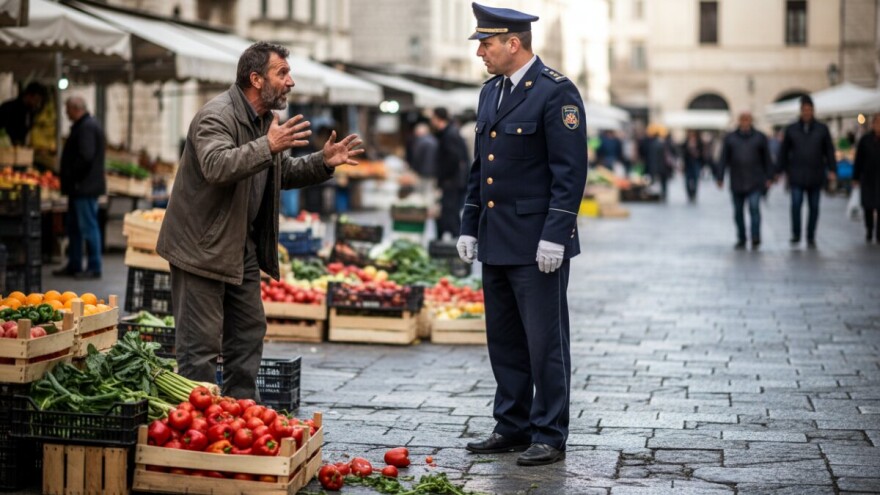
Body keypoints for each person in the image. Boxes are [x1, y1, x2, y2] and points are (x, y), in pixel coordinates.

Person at [156, 42, 363, 399]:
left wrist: (323, 162)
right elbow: (216, 166)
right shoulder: (216, 116)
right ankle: (196, 430)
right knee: (199, 347)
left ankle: (240, 412)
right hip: (201, 249)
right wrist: (268, 147)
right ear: (256, 79)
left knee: (248, 333)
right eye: (282, 73)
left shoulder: (264, 122)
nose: (291, 81)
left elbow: (280, 171)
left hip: (240, 246)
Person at [456, 3, 587, 467]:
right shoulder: (491, 92)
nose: (481, 54)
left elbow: (570, 173)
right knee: (505, 340)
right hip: (497, 239)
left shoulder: (556, 93)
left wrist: (556, 234)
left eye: (486, 45)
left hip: (537, 245)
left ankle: (549, 433)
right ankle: (511, 425)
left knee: (544, 342)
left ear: (514, 44)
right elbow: (481, 167)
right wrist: (469, 223)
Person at [53, 97, 106, 279]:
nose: (66, 113)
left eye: (67, 109)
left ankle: (94, 266)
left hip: (84, 187)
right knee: (74, 227)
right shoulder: (85, 126)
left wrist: (71, 175)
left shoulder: (86, 127)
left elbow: (86, 156)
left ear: (76, 109)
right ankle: (74, 264)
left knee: (88, 226)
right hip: (80, 188)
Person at [776, 95, 836, 247]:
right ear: (801, 111)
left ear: (813, 110)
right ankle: (796, 234)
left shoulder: (822, 129)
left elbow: (829, 150)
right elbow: (784, 151)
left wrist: (832, 169)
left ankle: (810, 235)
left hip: (816, 173)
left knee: (814, 207)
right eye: (804, 110)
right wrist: (779, 170)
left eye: (809, 109)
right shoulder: (792, 129)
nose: (807, 112)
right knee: (796, 205)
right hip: (796, 173)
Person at [716, 112, 773, 249]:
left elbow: (767, 158)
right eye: (743, 119)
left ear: (751, 121)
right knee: (738, 211)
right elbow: (723, 158)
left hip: (755, 180)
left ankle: (755, 236)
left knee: (754, 208)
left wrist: (769, 176)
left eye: (747, 119)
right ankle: (741, 237)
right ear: (739, 121)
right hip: (737, 180)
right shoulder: (730, 138)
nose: (745, 122)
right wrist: (720, 176)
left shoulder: (760, 137)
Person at [431, 107, 469, 239]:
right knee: (450, 213)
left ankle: (456, 247)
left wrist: (443, 178)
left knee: (450, 213)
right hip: (454, 181)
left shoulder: (449, 134)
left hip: (451, 182)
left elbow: (453, 159)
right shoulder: (451, 132)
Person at [853, 113, 880, 243]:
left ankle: (879, 233)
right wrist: (856, 177)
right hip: (868, 177)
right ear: (873, 124)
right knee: (868, 206)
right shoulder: (865, 140)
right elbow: (858, 160)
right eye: (877, 123)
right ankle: (869, 229)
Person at [681, 130, 704, 202]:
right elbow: (682, 154)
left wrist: (698, 154)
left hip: (696, 163)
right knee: (687, 180)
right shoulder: (685, 143)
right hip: (688, 164)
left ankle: (694, 193)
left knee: (696, 179)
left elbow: (702, 154)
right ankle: (689, 194)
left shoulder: (699, 143)